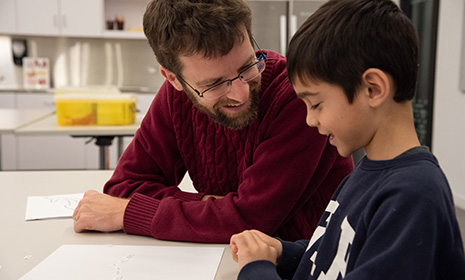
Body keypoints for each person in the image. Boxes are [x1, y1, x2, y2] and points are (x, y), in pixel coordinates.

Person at [72, 0, 353, 243]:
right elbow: (124, 186)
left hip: (303, 262)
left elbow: (252, 219)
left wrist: (130, 213)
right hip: (222, 256)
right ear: (173, 79)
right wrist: (210, 205)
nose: (241, 93)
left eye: (247, 66)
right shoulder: (175, 96)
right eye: (215, 84)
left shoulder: (294, 97)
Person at [229, 0, 465, 279]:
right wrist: (283, 252)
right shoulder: (365, 173)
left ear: (373, 88)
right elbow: (339, 255)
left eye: (316, 104)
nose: (310, 120)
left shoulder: (412, 196)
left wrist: (255, 269)